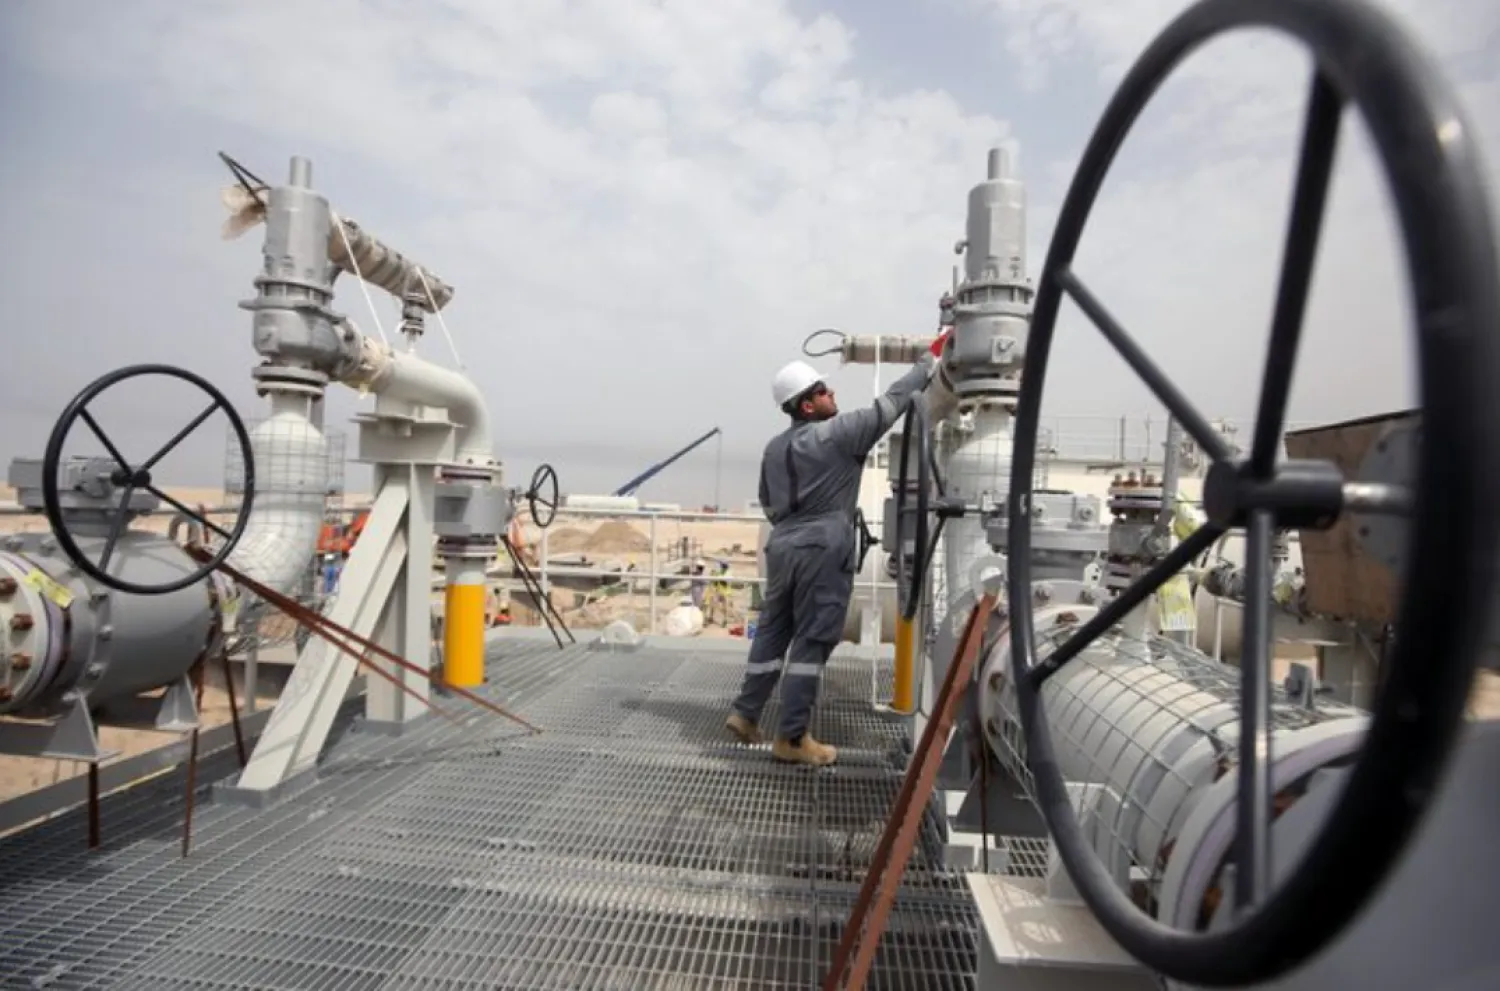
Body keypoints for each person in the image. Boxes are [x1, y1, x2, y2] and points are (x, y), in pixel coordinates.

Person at [725, 332, 949, 766]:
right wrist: (927, 364)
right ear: (807, 406)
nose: (833, 394)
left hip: (782, 546)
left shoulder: (774, 449)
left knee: (773, 632)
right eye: (823, 391)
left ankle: (746, 713)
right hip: (823, 548)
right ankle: (791, 738)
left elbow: (769, 503)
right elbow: (894, 402)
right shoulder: (839, 434)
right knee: (811, 640)